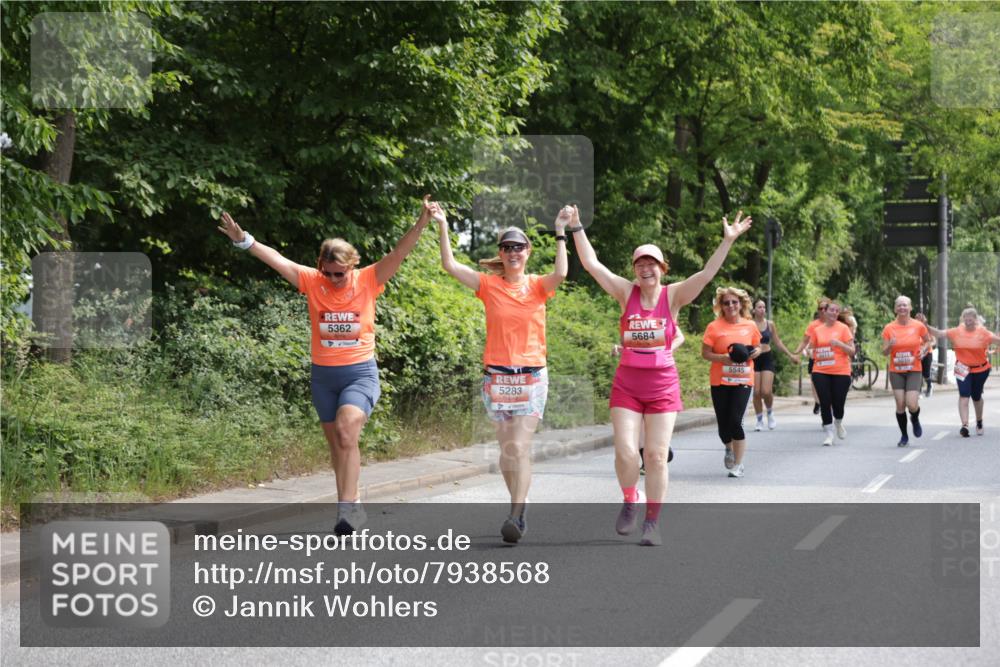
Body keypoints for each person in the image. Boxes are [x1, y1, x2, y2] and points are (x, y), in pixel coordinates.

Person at [216, 196, 433, 535]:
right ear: (320, 267)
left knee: (348, 430)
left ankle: (346, 511)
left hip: (359, 373)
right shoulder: (312, 281)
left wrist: (421, 221)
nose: (332, 279)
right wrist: (245, 241)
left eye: (339, 274)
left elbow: (399, 253)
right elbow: (277, 260)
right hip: (323, 378)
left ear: (352, 266)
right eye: (328, 273)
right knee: (338, 446)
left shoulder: (369, 280)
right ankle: (353, 500)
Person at [572, 209, 752, 545]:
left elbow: (707, 273)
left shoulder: (674, 296)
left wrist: (728, 240)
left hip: (662, 386)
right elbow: (592, 265)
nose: (646, 267)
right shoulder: (626, 293)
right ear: (635, 270)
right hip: (627, 384)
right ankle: (630, 498)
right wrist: (576, 227)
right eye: (640, 263)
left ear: (662, 268)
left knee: (655, 455)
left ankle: (652, 522)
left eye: (652, 262)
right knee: (626, 452)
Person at [436, 202, 570, 544]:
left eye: (519, 247)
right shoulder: (488, 285)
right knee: (506, 451)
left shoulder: (539, 286)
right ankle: (519, 506)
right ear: (501, 252)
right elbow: (449, 265)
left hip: (531, 376)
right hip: (496, 377)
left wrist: (560, 233)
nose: (513, 252)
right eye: (507, 247)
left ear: (527, 252)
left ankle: (515, 513)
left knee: (518, 447)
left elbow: (562, 273)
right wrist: (441, 224)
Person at [702, 287, 765, 478]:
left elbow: (758, 346)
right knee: (723, 427)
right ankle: (728, 448)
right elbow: (705, 353)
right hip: (720, 380)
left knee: (736, 421)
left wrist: (757, 352)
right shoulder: (714, 327)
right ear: (721, 306)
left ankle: (738, 464)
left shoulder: (750, 325)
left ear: (741, 304)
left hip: (743, 379)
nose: (730, 306)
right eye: (726, 303)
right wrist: (722, 359)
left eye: (734, 302)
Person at [924, 306, 1000, 437]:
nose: (968, 320)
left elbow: (998, 341)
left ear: (975, 319)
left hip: (981, 369)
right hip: (962, 368)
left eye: (971, 318)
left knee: (976, 397)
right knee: (964, 395)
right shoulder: (956, 331)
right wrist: (926, 326)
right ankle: (964, 425)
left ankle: (979, 421)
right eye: (966, 318)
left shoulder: (984, 333)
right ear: (963, 319)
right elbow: (940, 333)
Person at [881, 295, 932, 447]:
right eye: (899, 305)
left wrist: (923, 349)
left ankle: (915, 418)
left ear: (910, 308)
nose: (902, 308)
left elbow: (929, 340)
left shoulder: (918, 326)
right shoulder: (889, 328)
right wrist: (890, 345)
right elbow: (884, 352)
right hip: (896, 370)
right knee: (900, 403)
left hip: (914, 369)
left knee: (911, 403)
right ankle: (904, 436)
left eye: (905, 305)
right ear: (895, 309)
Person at [807, 300, 855, 445]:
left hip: (841, 371)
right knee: (825, 401)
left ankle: (838, 422)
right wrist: (810, 353)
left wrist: (840, 344)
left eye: (836, 311)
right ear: (825, 312)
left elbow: (852, 351)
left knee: (838, 403)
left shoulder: (844, 329)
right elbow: (810, 348)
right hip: (820, 370)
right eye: (831, 310)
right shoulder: (817, 330)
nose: (834, 313)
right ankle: (828, 434)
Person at [750, 299, 798, 431]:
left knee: (766, 391)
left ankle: (770, 413)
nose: (762, 309)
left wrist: (791, 355)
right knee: (757, 392)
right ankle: (759, 420)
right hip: (753, 358)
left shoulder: (770, 324)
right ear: (753, 310)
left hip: (766, 358)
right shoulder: (749, 324)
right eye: (759, 307)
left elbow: (777, 342)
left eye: (764, 307)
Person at [792, 298, 831, 418]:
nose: (823, 311)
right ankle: (818, 402)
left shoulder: (834, 323)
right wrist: (796, 353)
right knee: (815, 383)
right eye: (821, 308)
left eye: (826, 308)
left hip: (830, 360)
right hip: (815, 358)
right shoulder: (813, 325)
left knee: (829, 386)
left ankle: (827, 408)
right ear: (818, 311)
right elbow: (804, 342)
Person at [914, 313, 936, 396]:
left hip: (927, 353)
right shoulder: (914, 330)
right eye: (916, 321)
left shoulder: (928, 330)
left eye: (919, 321)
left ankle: (929, 385)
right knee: (918, 372)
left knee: (926, 374)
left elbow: (934, 341)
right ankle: (918, 391)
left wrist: (928, 344)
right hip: (917, 354)